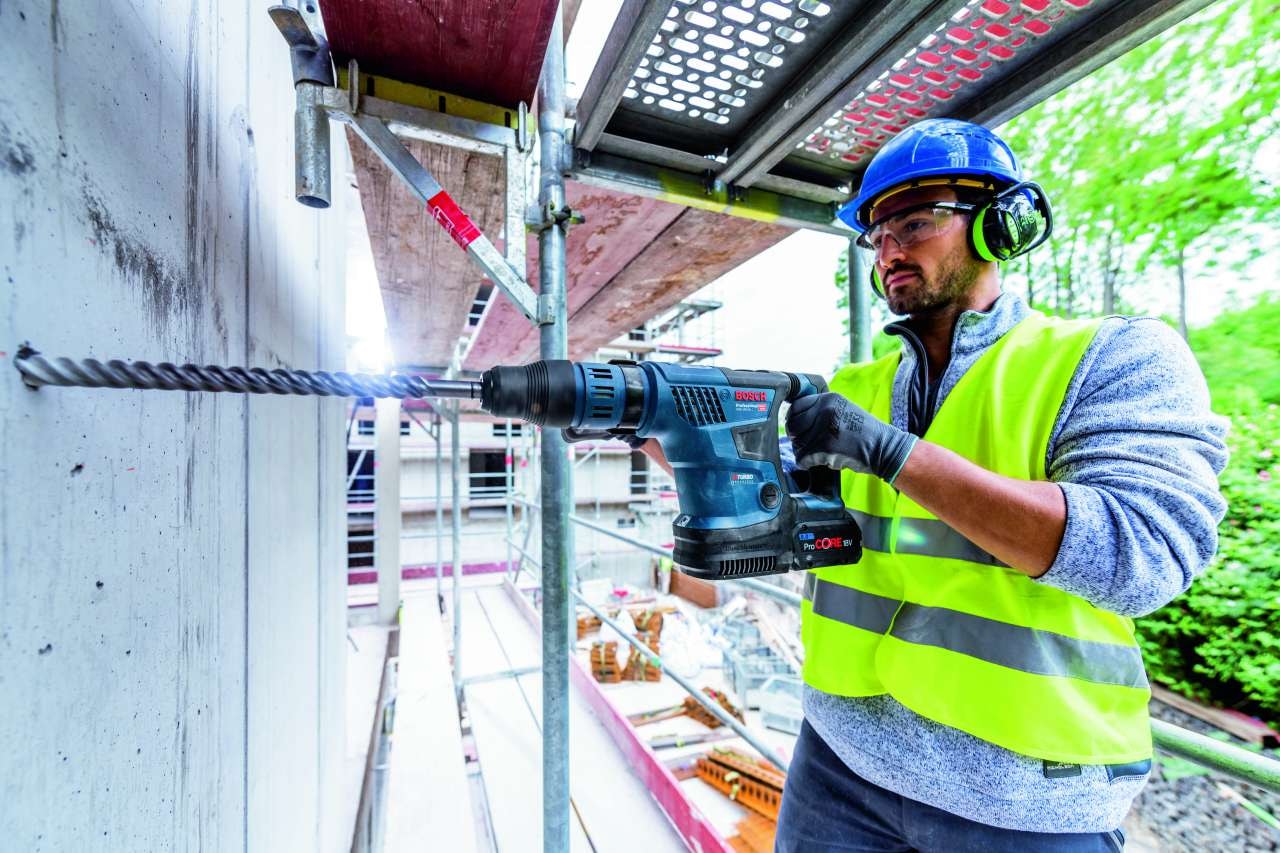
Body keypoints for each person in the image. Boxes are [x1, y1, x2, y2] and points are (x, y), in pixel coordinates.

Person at [774, 118, 1228, 851]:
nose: (888, 251)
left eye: (914, 222)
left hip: (1026, 800)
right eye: (876, 235)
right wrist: (664, 428)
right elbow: (782, 509)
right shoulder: (853, 389)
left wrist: (890, 452)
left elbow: (1139, 556)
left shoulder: (1108, 357)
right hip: (839, 762)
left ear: (1001, 224)